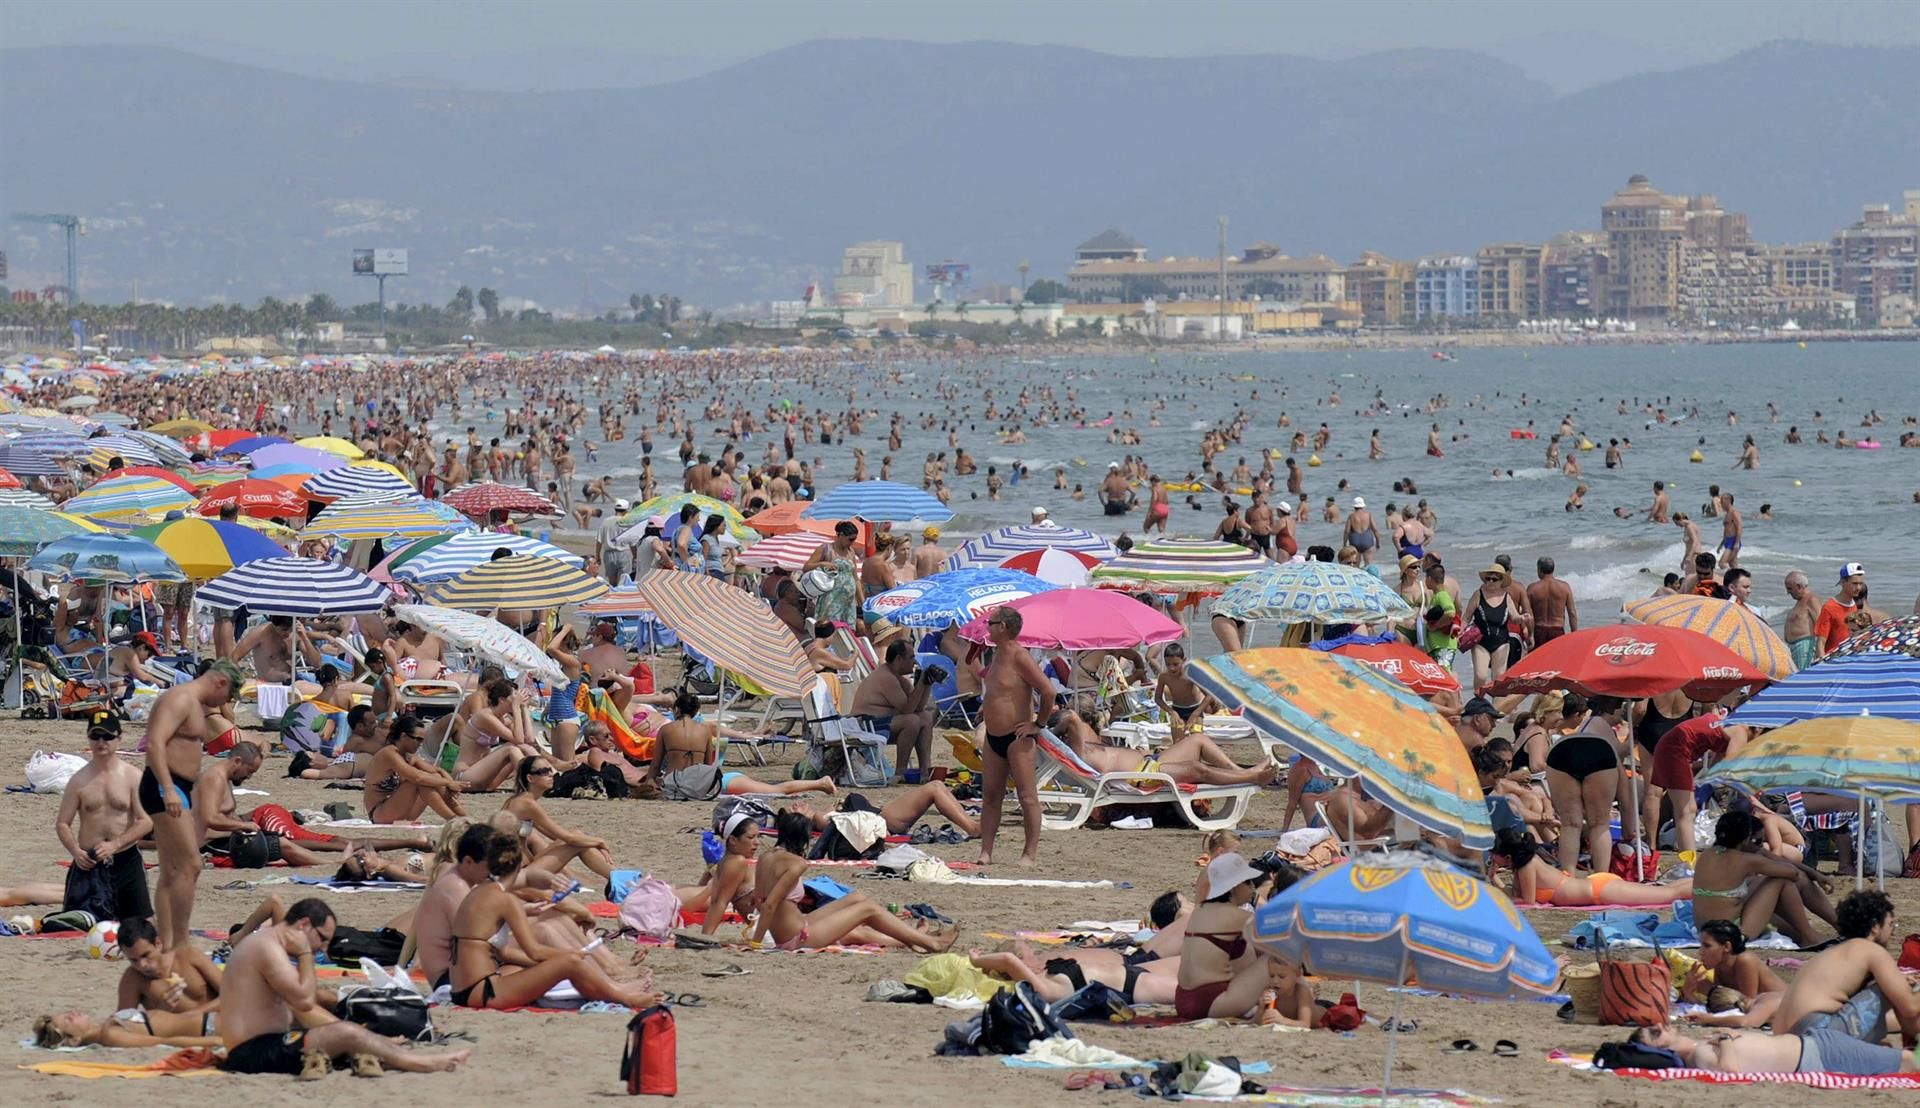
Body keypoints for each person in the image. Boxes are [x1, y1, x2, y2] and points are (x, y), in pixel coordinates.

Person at [221, 896, 470, 1076]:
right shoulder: (267, 948)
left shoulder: (268, 945)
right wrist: (306, 954)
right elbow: (304, 1001)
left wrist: (372, 1038)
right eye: (323, 939)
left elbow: (302, 1010)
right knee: (346, 1034)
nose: (324, 948)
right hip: (252, 1053)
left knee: (348, 1031)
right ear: (303, 925)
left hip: (262, 1044)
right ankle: (421, 1063)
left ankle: (382, 1051)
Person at [447, 830, 663, 1012]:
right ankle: (622, 996)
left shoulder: (481, 893)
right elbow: (535, 952)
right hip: (484, 991)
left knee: (561, 958)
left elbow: (496, 945)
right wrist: (577, 956)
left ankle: (611, 983)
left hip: (464, 988)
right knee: (569, 963)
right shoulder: (504, 899)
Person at [749, 811, 956, 952]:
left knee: (857, 899)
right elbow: (769, 905)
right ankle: (931, 944)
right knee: (867, 910)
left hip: (796, 926)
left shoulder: (765, 858)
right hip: (796, 936)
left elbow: (758, 901)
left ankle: (912, 937)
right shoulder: (796, 864)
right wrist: (756, 944)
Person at [143, 659, 242, 952]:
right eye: (228, 697)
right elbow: (154, 743)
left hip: (177, 786)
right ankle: (180, 941)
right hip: (166, 786)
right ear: (221, 683)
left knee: (172, 869)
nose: (224, 703)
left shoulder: (193, 703)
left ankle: (167, 938)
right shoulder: (181, 698)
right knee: (191, 864)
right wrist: (170, 788)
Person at [1773, 889, 1920, 1046]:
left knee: (1885, 1045)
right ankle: (1913, 1042)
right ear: (1875, 927)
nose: (1892, 932)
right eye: (1891, 925)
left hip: (1790, 1035)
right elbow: (1909, 1007)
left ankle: (1911, 1042)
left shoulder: (1834, 953)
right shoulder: (1872, 951)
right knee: (1895, 990)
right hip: (1817, 1031)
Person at [647, 688, 835, 799]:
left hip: (683, 785)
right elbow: (707, 766)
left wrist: (649, 783)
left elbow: (655, 765)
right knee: (776, 789)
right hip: (708, 784)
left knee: (776, 790)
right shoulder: (705, 729)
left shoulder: (666, 730)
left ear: (677, 709)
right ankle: (818, 784)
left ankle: (820, 783)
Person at [55, 711, 152, 923]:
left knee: (143, 925)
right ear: (88, 737)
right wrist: (76, 852)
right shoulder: (78, 780)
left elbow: (146, 821)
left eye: (107, 736)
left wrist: (116, 844)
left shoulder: (132, 776)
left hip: (126, 860)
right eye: (95, 736)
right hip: (89, 862)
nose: (101, 742)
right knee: (76, 925)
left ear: (119, 738)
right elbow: (63, 823)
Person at [1693, 810, 1836, 949]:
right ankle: (1810, 936)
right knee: (1782, 881)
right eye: (1758, 841)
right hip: (1733, 932)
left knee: (1759, 884)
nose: (1761, 845)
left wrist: (1815, 874)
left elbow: (1780, 860)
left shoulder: (1709, 854)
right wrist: (1762, 855)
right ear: (1746, 839)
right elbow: (1793, 873)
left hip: (1707, 929)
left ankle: (1816, 932)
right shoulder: (1745, 859)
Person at [979, 605, 1053, 867]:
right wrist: (984, 709)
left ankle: (1029, 854)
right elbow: (1000, 690)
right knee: (990, 795)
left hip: (1017, 737)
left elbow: (1048, 691)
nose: (987, 625)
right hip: (993, 735)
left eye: (992, 622)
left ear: (1004, 627)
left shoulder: (1020, 656)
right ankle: (985, 851)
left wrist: (1038, 724)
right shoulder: (995, 655)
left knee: (1027, 796)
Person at [1050, 707, 1274, 787]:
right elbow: (1071, 717)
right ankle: (1252, 778)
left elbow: (1073, 718)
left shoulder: (1080, 748)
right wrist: (1045, 726)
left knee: (1198, 739)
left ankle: (1244, 771)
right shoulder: (1076, 753)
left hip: (1151, 764)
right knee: (1197, 769)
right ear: (1067, 733)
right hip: (1142, 776)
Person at [1174, 854, 1270, 1019]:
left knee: (1241, 947)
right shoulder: (1239, 917)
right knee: (1277, 959)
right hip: (1212, 1001)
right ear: (1234, 887)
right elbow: (1278, 941)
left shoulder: (1199, 911)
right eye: (1247, 882)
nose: (1253, 887)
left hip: (1182, 999)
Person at [1491, 827, 1690, 906]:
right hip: (1596, 888)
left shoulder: (1527, 866)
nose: (1491, 857)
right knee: (1664, 891)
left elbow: (1526, 901)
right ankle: (1704, 885)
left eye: (1494, 855)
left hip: (1600, 891)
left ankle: (1707, 887)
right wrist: (1493, 878)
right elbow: (1512, 893)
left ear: (1507, 856)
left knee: (1667, 894)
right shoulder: (1522, 864)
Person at [1631, 1022, 1917, 1076]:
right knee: (1905, 1060)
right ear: (1658, 1051)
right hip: (1817, 1054)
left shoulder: (1701, 1047)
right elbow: (1729, 1072)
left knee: (1890, 1050)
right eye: (1655, 1033)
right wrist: (1727, 1040)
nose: (1661, 1024)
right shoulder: (1700, 1056)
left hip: (1814, 1044)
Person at [1649, 705, 1749, 856]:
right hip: (1676, 750)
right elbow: (1729, 768)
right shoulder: (1741, 731)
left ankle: (1687, 858)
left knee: (1688, 809)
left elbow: (1717, 767)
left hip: (1671, 746)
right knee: (1686, 812)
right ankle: (1688, 862)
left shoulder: (1729, 724)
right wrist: (1751, 794)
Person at [1543, 693, 1626, 876]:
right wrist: (1629, 828)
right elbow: (1625, 791)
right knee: (1599, 824)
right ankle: (1602, 878)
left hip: (1563, 750)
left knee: (1570, 824)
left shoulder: (1587, 724)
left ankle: (1568, 876)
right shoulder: (1605, 729)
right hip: (1599, 751)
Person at [502, 754, 613, 879]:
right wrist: (600, 842)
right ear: (530, 778)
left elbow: (557, 836)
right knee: (577, 841)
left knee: (578, 837)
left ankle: (616, 876)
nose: (550, 775)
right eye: (544, 771)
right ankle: (617, 877)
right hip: (516, 873)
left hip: (519, 867)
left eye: (550, 770)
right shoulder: (527, 804)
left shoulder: (520, 800)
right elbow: (568, 838)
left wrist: (591, 842)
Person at [849, 641, 938, 784]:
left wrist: (927, 683)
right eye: (911, 657)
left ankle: (925, 770)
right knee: (911, 721)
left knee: (925, 717)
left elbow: (918, 707)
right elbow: (907, 709)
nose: (914, 662)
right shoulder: (886, 677)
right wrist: (921, 682)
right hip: (864, 726)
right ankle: (900, 772)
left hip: (881, 723)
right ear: (898, 659)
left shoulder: (899, 679)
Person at [1680, 919, 1787, 1028]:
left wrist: (1708, 989)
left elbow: (1745, 1006)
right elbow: (1721, 1006)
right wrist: (1688, 991)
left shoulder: (1745, 960)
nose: (1700, 952)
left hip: (1786, 1005)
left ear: (1727, 946)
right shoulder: (1720, 965)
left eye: (1707, 946)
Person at [363, 714, 467, 824]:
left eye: (423, 740)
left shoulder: (408, 756)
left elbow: (437, 771)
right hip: (379, 812)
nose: (420, 744)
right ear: (403, 736)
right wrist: (448, 783)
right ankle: (452, 818)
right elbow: (418, 777)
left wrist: (450, 783)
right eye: (418, 739)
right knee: (417, 782)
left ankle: (463, 817)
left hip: (399, 810)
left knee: (434, 778)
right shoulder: (389, 753)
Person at [116, 915, 222, 1014]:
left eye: (145, 955)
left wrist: (191, 1016)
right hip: (179, 1032)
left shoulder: (188, 956)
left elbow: (233, 994)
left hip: (217, 1027)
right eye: (133, 960)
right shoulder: (134, 978)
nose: (142, 965)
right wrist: (161, 1013)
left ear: (158, 944)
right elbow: (123, 1024)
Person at [1465, 564, 1522, 692]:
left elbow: (1514, 617)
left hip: (1502, 642)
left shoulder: (1506, 597)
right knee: (1481, 675)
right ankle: (1478, 703)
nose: (1490, 581)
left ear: (1501, 581)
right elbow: (1466, 617)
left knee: (1498, 678)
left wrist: (1522, 618)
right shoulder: (1478, 594)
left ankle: (1496, 708)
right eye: (1488, 579)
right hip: (1480, 642)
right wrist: (1458, 631)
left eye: (1494, 579)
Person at [1152, 643, 1216, 741]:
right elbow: (1158, 698)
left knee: (1196, 740)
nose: (1171, 668)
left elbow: (1209, 695)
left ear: (1184, 660)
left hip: (1194, 710)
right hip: (1177, 710)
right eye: (1168, 664)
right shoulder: (1164, 677)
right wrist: (1171, 711)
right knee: (1178, 743)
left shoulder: (1191, 674)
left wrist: (1195, 714)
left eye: (1175, 664)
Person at [1816, 563, 1866, 657]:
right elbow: (1820, 643)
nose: (1858, 588)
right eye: (1854, 584)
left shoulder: (1856, 606)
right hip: (1834, 661)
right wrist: (1822, 667)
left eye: (1861, 583)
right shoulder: (1829, 607)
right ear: (1843, 582)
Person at [1526, 557, 1576, 646]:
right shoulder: (1565, 587)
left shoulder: (1532, 589)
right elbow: (1572, 613)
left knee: (1539, 659)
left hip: (1539, 631)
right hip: (1557, 631)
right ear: (1553, 569)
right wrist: (1574, 634)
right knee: (1556, 658)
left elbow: (1527, 614)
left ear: (1539, 570)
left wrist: (1529, 635)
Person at [1784, 571, 1820, 670]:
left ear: (1799, 586)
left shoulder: (1811, 599)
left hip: (1805, 647)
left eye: (1790, 588)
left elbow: (1821, 625)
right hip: (1793, 647)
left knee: (1801, 676)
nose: (1788, 592)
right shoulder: (1800, 602)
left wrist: (1819, 650)